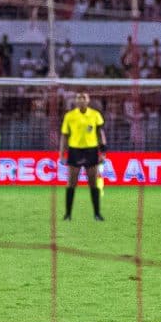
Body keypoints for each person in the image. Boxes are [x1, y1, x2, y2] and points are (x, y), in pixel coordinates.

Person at [59, 89, 107, 222]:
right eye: (79, 98)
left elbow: (100, 133)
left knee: (93, 182)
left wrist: (103, 152)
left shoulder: (95, 115)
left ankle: (97, 214)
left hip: (91, 150)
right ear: (75, 100)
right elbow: (64, 135)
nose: (81, 100)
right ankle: (68, 214)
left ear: (88, 100)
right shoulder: (69, 116)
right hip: (75, 150)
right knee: (72, 182)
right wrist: (61, 153)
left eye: (84, 98)